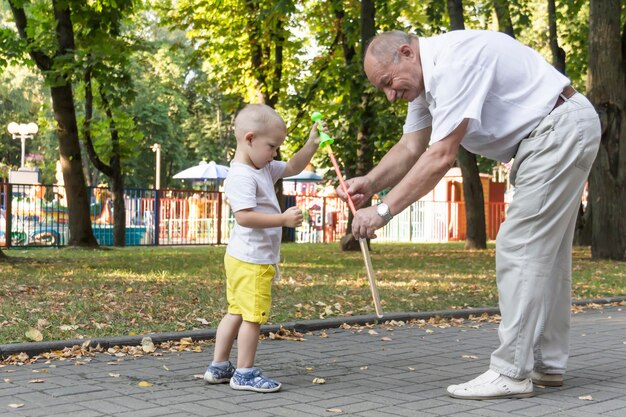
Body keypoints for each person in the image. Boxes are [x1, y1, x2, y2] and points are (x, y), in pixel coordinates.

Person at [338, 30, 601, 400]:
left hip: (557, 129)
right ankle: (547, 364)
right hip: (558, 129)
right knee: (547, 254)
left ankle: (511, 371)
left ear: (405, 52)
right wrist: (369, 182)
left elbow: (441, 155)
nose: (390, 95)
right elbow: (411, 146)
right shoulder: (426, 84)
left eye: (388, 82)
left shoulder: (453, 63)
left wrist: (382, 210)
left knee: (519, 247)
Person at [203, 103, 323, 393]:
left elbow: (294, 166)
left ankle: (218, 366)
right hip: (252, 260)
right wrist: (282, 219)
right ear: (250, 139)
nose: (275, 153)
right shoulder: (243, 175)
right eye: (271, 146)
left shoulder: (263, 168)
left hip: (242, 257)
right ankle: (244, 373)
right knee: (252, 317)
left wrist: (312, 143)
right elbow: (243, 217)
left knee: (236, 312)